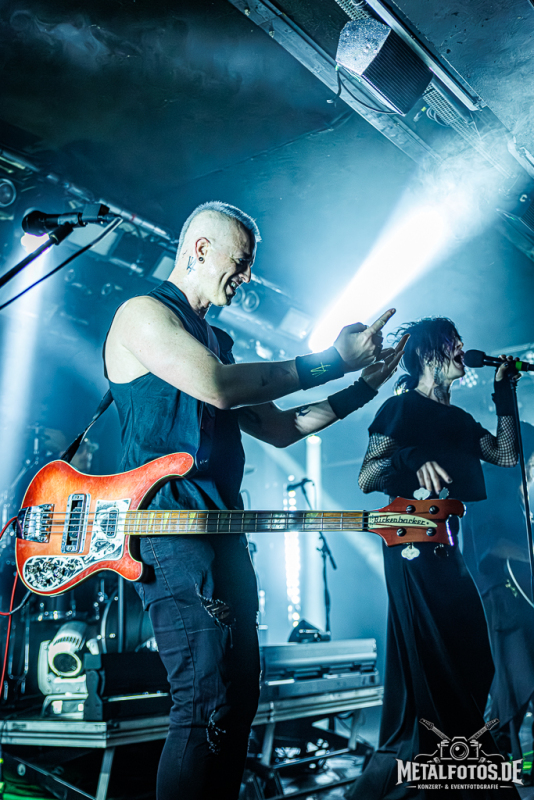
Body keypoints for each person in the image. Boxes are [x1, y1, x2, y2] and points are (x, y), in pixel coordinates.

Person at [104, 201, 406, 800]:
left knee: (238, 697)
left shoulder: (216, 341)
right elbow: (217, 389)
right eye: (239, 262)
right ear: (199, 249)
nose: (245, 276)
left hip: (223, 531)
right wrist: (330, 360)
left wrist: (363, 386)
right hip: (171, 533)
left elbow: (282, 428)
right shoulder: (142, 314)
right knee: (205, 701)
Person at [348, 317, 520, 800]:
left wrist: (503, 393)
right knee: (435, 660)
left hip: (446, 543)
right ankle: (439, 775)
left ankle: (456, 767)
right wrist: (409, 459)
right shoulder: (401, 408)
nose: (462, 350)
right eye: (453, 344)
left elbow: (505, 454)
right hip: (409, 547)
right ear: (428, 354)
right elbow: (367, 476)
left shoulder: (459, 420)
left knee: (474, 656)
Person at [462, 423, 534, 766]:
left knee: (514, 683)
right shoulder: (492, 485)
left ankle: (500, 754)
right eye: (531, 459)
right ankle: (500, 756)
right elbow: (492, 545)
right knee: (516, 681)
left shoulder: (509, 486)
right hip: (501, 601)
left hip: (515, 601)